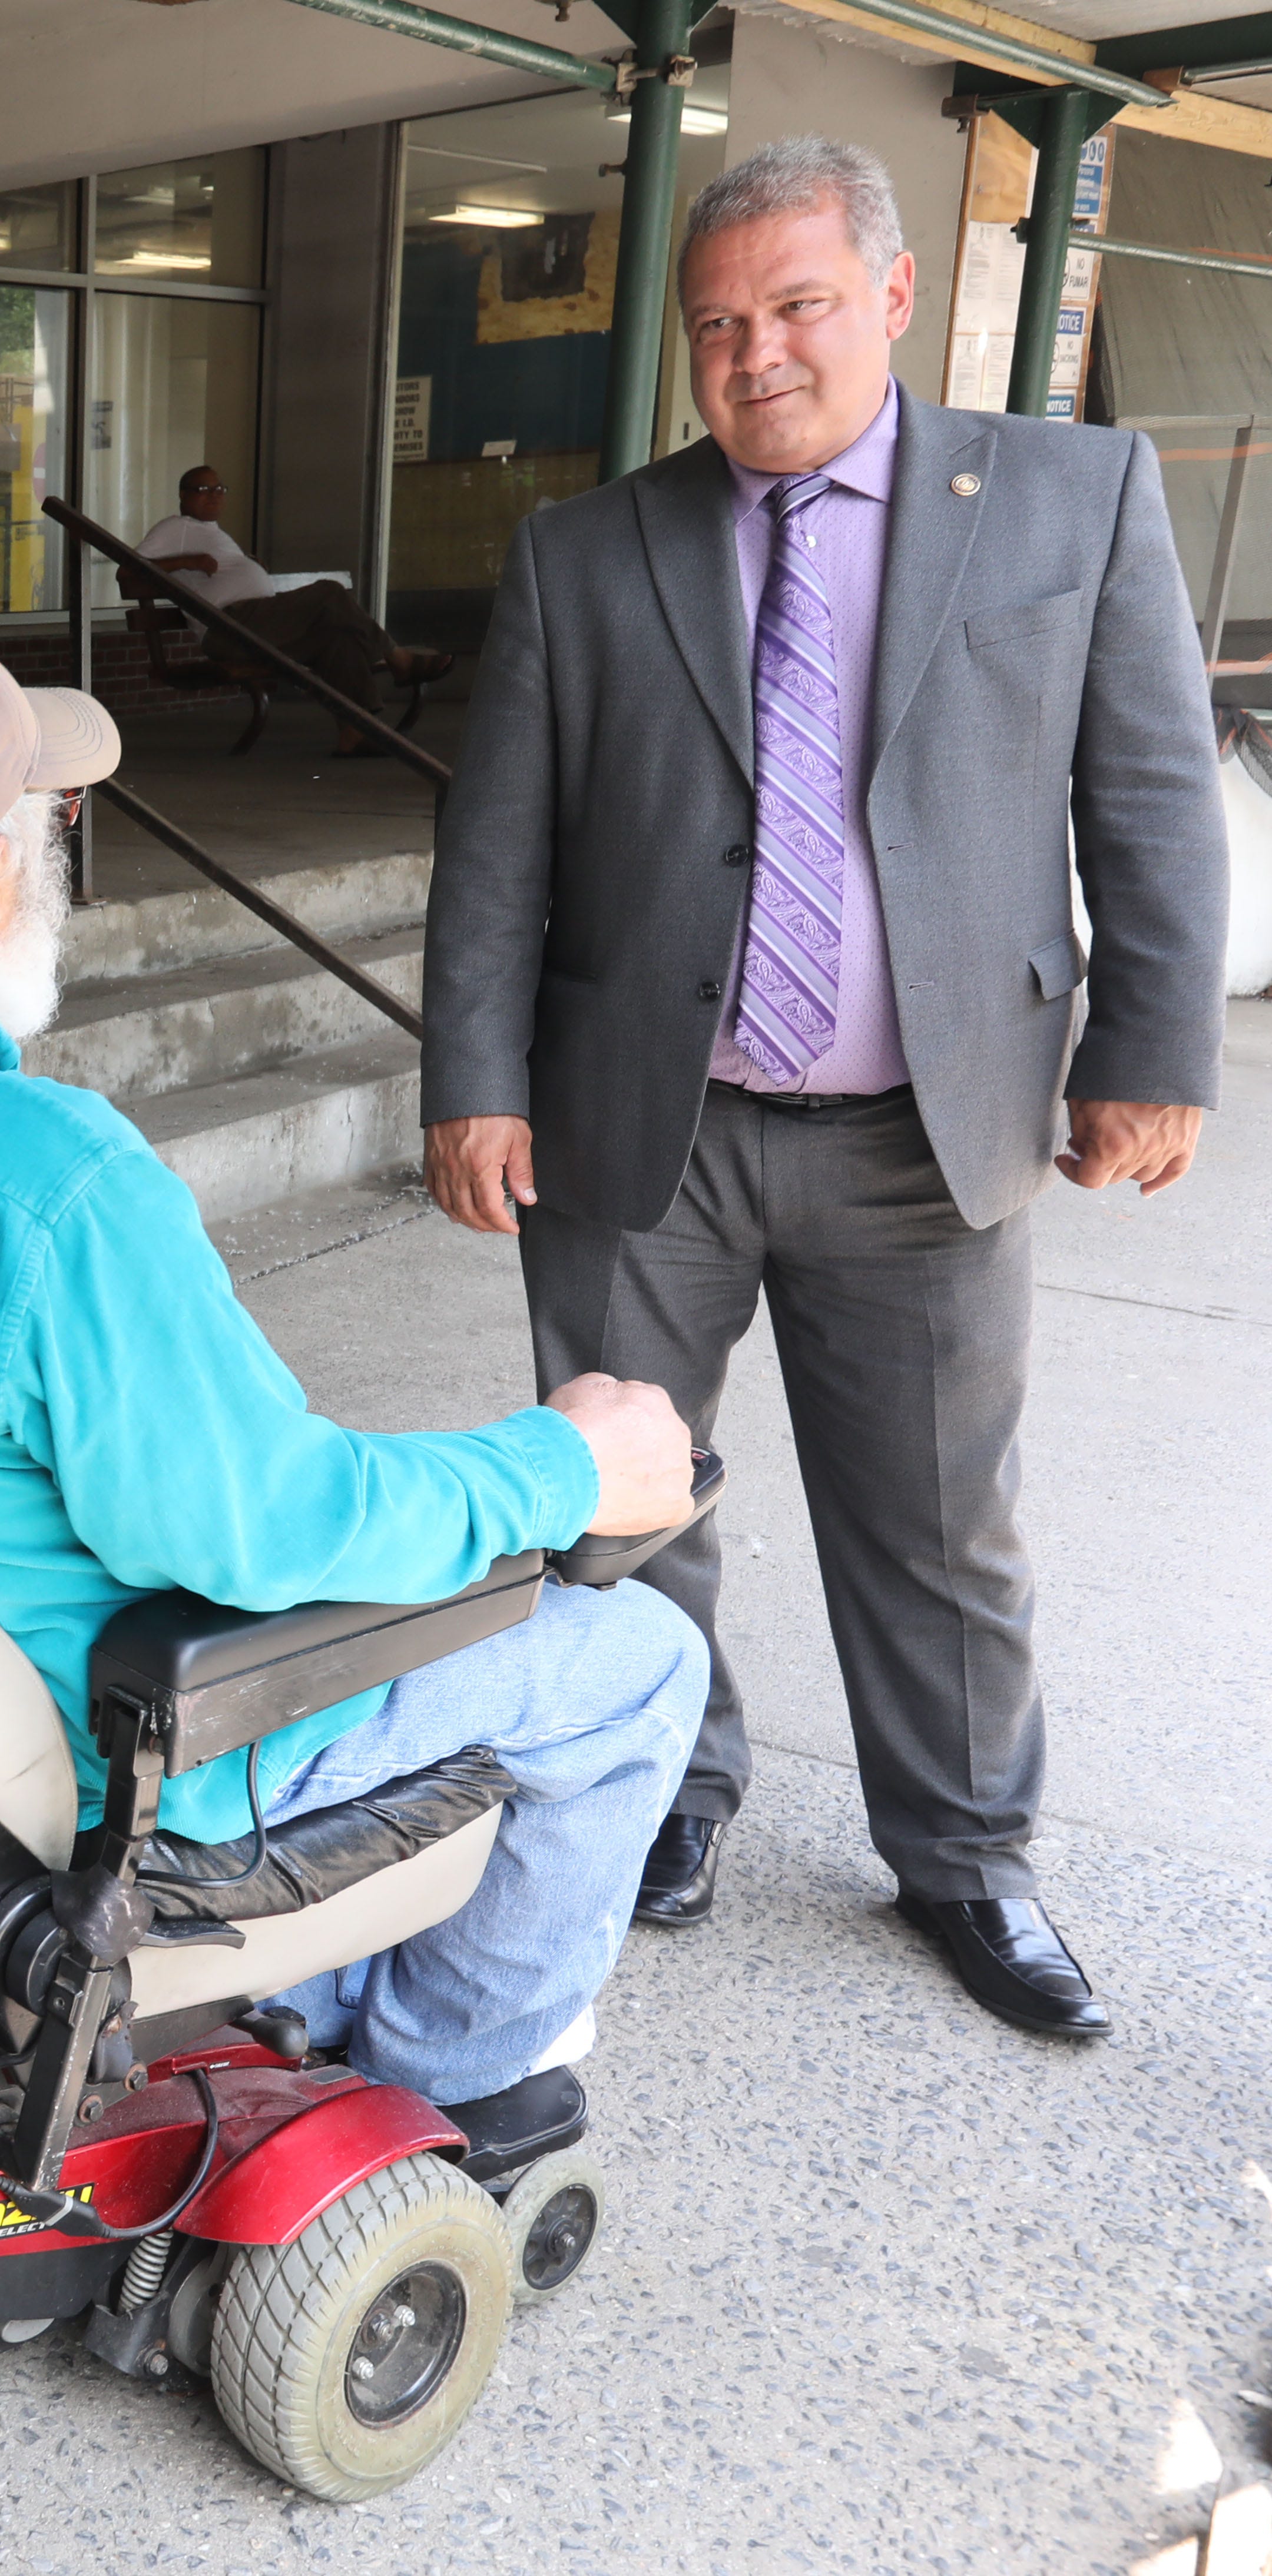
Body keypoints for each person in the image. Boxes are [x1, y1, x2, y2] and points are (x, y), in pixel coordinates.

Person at [0, 610, 707, 2158]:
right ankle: (454, 2086)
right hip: (114, 1752)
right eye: (43, 827)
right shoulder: (46, 1187)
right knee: (631, 1653)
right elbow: (264, 1529)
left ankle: (336, 1990)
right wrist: (564, 1469)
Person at [422, 137, 1230, 2039]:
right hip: (645, 1124)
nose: (754, 350)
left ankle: (966, 1857)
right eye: (717, 323)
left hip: (925, 1129)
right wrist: (473, 1072)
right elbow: (499, 845)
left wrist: (1154, 1049)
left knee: (941, 1515)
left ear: (886, 293)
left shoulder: (1069, 493)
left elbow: (1150, 791)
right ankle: (668, 1789)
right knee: (626, 1499)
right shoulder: (587, 545)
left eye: (792, 305)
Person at [130, 464, 453, 753]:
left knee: (338, 640)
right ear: (183, 496)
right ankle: (399, 659)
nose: (214, 496)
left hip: (258, 624)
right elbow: (128, 569)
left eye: (219, 489)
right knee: (329, 593)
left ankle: (354, 733)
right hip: (228, 627)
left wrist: (245, 565)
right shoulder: (176, 526)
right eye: (203, 490)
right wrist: (189, 561)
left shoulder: (213, 533)